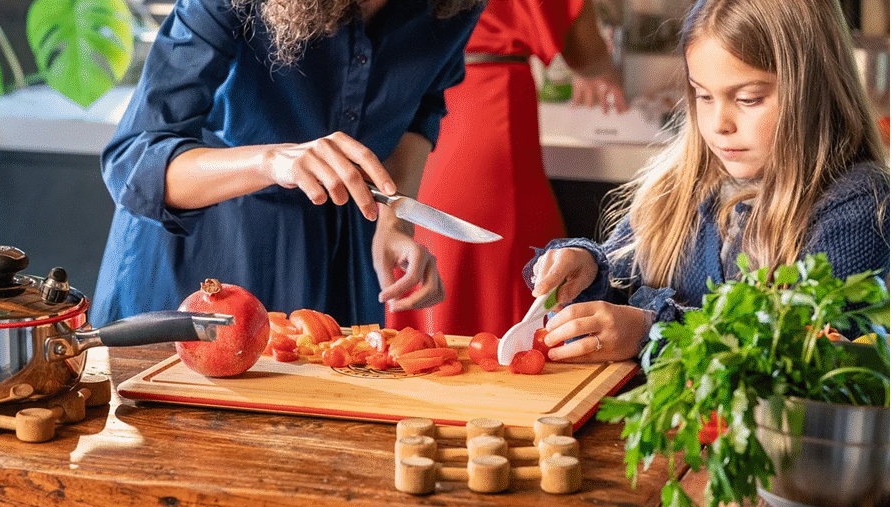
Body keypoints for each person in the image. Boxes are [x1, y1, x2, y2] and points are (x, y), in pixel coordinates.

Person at [523, 0, 890, 363]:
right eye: (703, 96)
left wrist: (652, 331)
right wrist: (586, 267)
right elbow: (618, 283)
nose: (719, 124)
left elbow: (805, 354)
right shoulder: (677, 188)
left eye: (748, 99)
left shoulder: (859, 205)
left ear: (815, 91)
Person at [90, 0, 487, 327]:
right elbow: (133, 163)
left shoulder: (454, 7)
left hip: (338, 263)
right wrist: (271, 161)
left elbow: (421, 109)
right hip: (202, 257)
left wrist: (394, 222)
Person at [385, 0, 628, 337]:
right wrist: (603, 70)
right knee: (512, 261)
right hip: (488, 104)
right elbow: (585, 52)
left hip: (412, 105)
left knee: (433, 250)